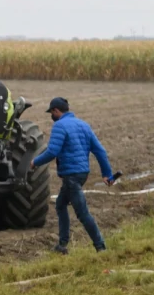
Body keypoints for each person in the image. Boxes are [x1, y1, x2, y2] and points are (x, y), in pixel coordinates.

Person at [31, 97, 114, 254]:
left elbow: (52, 152)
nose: (51, 115)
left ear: (56, 110)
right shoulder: (83, 125)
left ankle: (100, 247)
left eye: (51, 112)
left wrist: (35, 162)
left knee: (82, 213)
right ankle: (62, 245)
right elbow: (100, 151)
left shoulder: (60, 126)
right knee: (61, 204)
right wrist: (107, 174)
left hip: (71, 176)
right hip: (82, 174)